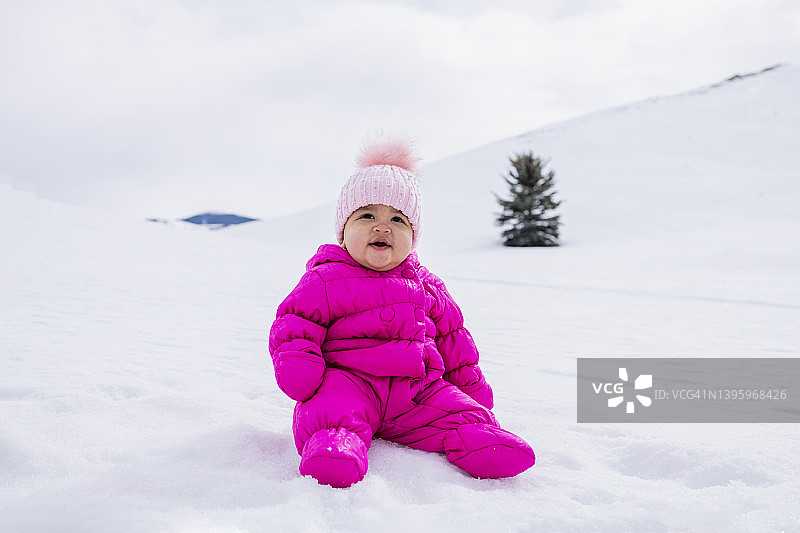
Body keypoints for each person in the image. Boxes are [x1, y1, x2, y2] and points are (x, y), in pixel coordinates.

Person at [268, 135, 535, 488]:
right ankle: (336, 446)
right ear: (343, 233)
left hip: (417, 390)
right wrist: (300, 368)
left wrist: (471, 390)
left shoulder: (427, 285)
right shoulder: (325, 278)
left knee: (462, 414)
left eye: (398, 219)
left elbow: (453, 339)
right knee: (331, 410)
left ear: (413, 235)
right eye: (367, 215)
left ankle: (476, 439)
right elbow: (295, 324)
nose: (383, 226)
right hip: (349, 381)